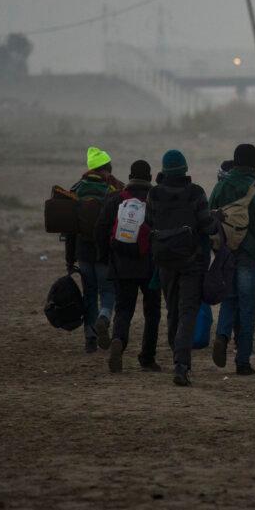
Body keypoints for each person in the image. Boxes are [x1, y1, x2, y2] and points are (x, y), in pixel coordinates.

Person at [210, 144, 255, 376]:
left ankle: (222, 335)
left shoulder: (220, 187)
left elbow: (209, 217)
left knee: (229, 300)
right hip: (249, 257)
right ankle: (242, 361)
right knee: (248, 307)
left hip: (225, 254)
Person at [147, 150, 217, 386]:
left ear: (164, 170)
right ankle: (181, 363)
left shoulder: (154, 194)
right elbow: (208, 226)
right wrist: (217, 220)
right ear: (185, 169)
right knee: (188, 312)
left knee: (172, 310)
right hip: (192, 261)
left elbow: (148, 224)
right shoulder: (196, 193)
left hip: (165, 261)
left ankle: (176, 352)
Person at [95, 159, 161, 374]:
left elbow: (101, 228)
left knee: (124, 309)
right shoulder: (155, 199)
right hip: (150, 266)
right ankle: (147, 358)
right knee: (152, 313)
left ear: (130, 176)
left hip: (121, 264)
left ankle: (118, 341)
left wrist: (105, 258)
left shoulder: (116, 198)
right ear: (150, 177)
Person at [70, 146, 124, 353]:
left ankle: (90, 338)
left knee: (89, 294)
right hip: (105, 253)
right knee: (108, 291)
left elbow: (70, 229)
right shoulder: (113, 191)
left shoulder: (76, 190)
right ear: (107, 168)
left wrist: (70, 258)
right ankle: (104, 317)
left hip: (83, 252)